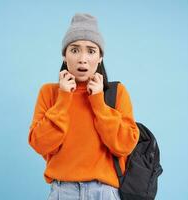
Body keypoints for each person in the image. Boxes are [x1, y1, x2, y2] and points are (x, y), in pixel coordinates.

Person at [28, 13, 139, 200]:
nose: (82, 59)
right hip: (63, 191)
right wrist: (63, 98)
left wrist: (98, 102)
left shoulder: (116, 92)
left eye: (91, 51)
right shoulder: (49, 92)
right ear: (64, 55)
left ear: (100, 57)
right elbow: (40, 144)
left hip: (104, 192)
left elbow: (124, 145)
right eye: (74, 50)